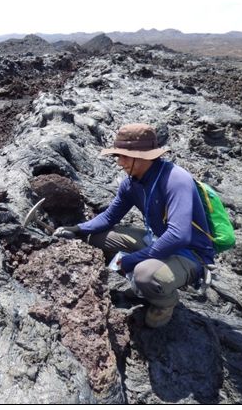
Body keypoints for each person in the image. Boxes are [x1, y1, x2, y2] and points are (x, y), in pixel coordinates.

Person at [53, 123, 214, 328]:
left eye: (124, 156)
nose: (119, 163)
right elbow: (110, 216)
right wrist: (78, 229)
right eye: (117, 156)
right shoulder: (131, 183)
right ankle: (144, 273)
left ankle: (165, 302)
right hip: (158, 242)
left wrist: (134, 260)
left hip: (190, 253)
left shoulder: (176, 179)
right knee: (97, 238)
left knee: (144, 275)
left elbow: (178, 235)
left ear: (143, 156)